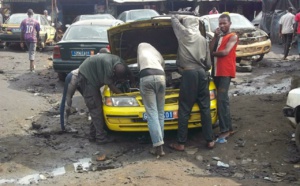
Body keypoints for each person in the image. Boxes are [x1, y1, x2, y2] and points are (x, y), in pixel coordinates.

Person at [169, 15, 215, 151]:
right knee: (205, 107)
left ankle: (181, 143)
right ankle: (210, 140)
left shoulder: (184, 33)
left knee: (184, 109)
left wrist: (181, 16)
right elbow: (208, 63)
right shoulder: (203, 39)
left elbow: (173, 19)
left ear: (187, 24)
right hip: (202, 74)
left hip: (188, 74)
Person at [77, 52, 133, 144]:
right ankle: (100, 138)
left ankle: (93, 135)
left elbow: (130, 73)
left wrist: (133, 81)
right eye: (116, 77)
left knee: (96, 108)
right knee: (96, 108)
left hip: (91, 74)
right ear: (113, 71)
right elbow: (110, 85)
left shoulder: (121, 62)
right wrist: (123, 95)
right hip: (87, 78)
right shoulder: (108, 67)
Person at [59, 48, 111, 131]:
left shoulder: (98, 59)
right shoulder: (97, 60)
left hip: (84, 81)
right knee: (67, 101)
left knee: (91, 101)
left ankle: (93, 123)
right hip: (74, 77)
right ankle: (63, 126)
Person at [209, 14, 238, 142]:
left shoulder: (233, 36)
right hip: (216, 71)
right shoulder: (219, 37)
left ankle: (225, 130)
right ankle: (228, 128)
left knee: (222, 101)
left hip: (225, 72)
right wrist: (215, 36)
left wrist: (212, 54)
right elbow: (210, 48)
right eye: (220, 23)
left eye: (224, 23)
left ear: (230, 23)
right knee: (221, 100)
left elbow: (225, 52)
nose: (222, 25)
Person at [137, 43, 166, 156]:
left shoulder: (140, 50)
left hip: (146, 77)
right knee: (160, 113)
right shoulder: (156, 52)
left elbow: (140, 67)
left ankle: (158, 146)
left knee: (152, 113)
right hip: (161, 77)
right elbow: (163, 65)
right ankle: (160, 143)